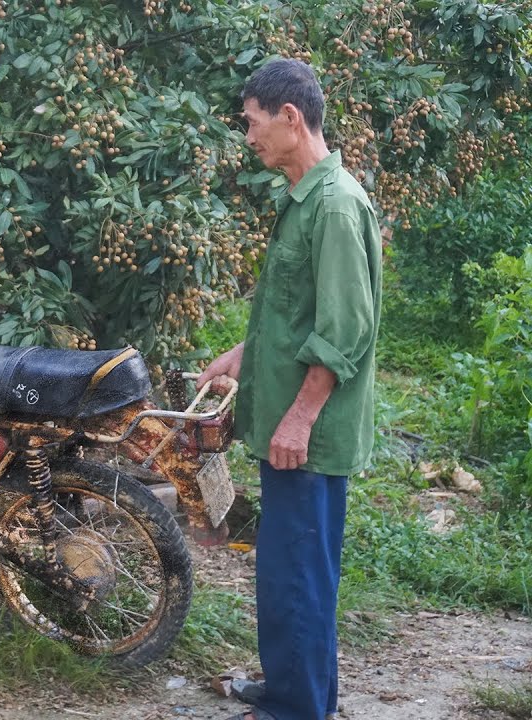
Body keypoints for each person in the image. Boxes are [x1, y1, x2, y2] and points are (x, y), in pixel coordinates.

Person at [197, 59, 381, 720]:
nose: (249, 137)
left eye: (252, 123)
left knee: (298, 573)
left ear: (290, 117)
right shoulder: (305, 198)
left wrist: (301, 417)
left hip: (310, 434)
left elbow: (344, 331)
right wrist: (242, 355)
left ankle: (297, 710)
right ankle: (294, 693)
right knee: (289, 569)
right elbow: (298, 317)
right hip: (289, 422)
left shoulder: (334, 206)